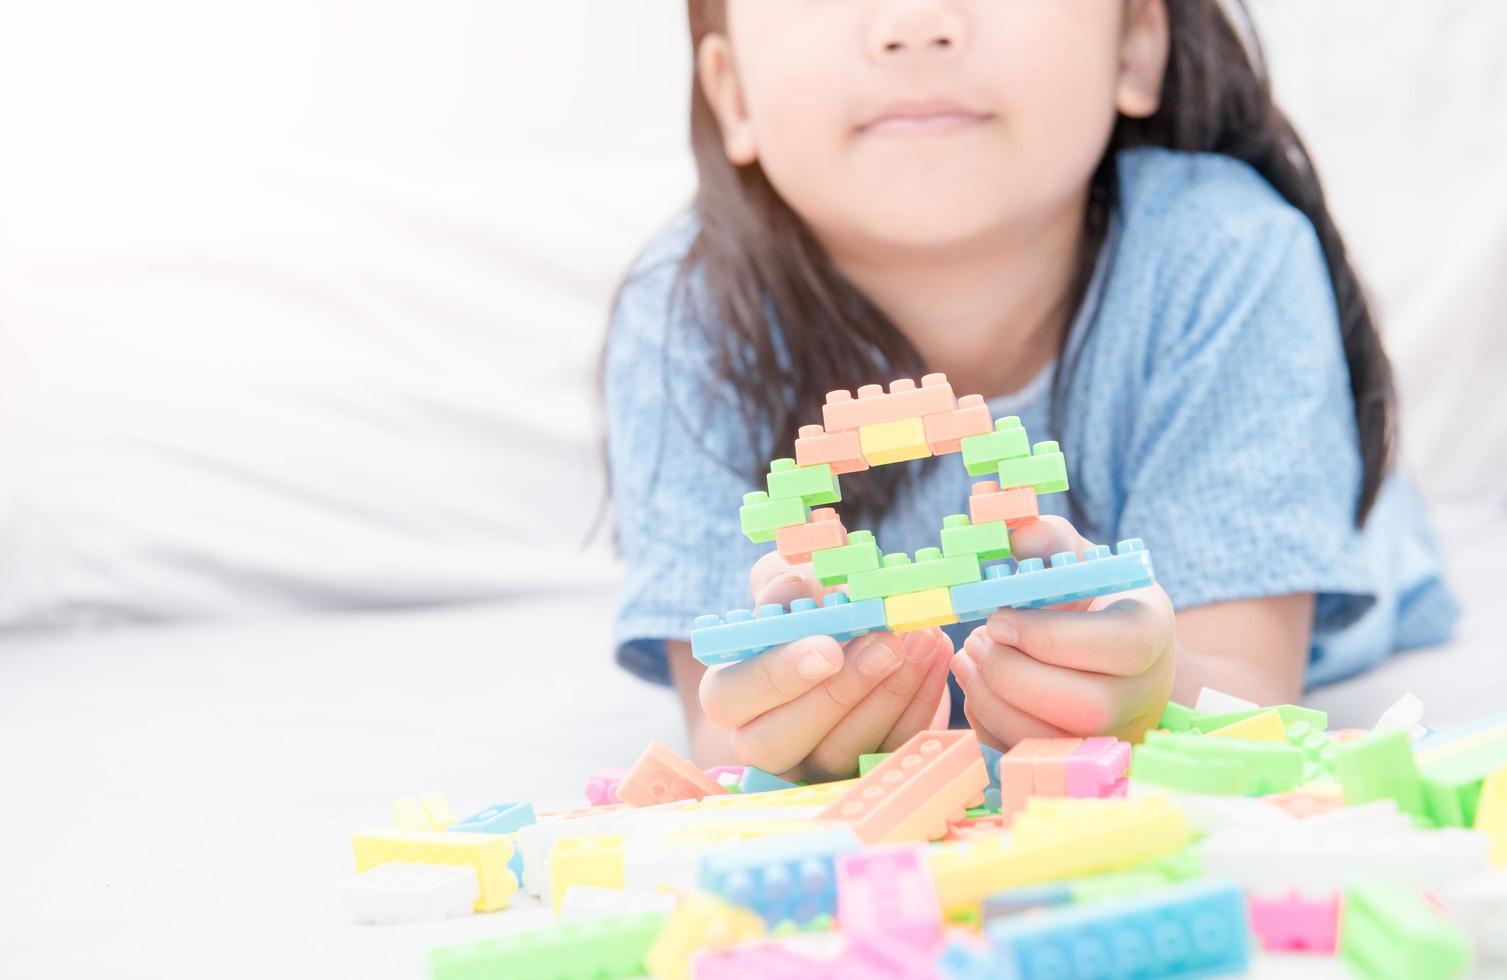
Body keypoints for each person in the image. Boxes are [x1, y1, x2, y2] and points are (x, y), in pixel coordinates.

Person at [603, 0, 1456, 779]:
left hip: (1305, 530)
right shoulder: (685, 314)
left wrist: (1154, 694)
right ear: (731, 93)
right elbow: (725, 733)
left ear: (1134, 44)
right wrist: (798, 737)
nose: (913, 24)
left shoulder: (1230, 253)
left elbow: (1248, 699)